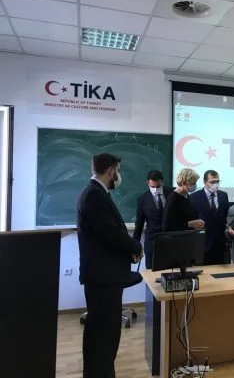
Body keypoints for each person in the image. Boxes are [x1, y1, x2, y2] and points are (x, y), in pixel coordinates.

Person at [76, 153, 143, 378]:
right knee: (103, 334)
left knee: (103, 333)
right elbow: (110, 232)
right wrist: (135, 246)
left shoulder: (96, 193)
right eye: (118, 170)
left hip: (105, 275)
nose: (118, 176)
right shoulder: (93, 195)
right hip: (103, 277)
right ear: (111, 170)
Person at [132, 170, 173, 269]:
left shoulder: (172, 193)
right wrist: (135, 246)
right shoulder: (142, 199)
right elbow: (139, 224)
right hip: (152, 242)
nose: (155, 189)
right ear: (147, 183)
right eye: (152, 187)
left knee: (172, 271)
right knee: (152, 272)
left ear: (162, 182)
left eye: (158, 186)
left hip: (171, 240)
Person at [189, 169, 229, 265]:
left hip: (219, 244)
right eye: (212, 182)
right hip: (202, 243)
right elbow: (192, 218)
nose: (215, 184)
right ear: (205, 182)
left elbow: (225, 217)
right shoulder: (194, 197)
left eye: (217, 181)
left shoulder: (223, 195)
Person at [161, 168, 204, 232]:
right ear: (183, 182)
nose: (195, 185)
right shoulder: (173, 199)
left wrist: (198, 222)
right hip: (179, 237)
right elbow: (167, 226)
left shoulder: (187, 195)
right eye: (193, 183)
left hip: (190, 236)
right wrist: (190, 224)